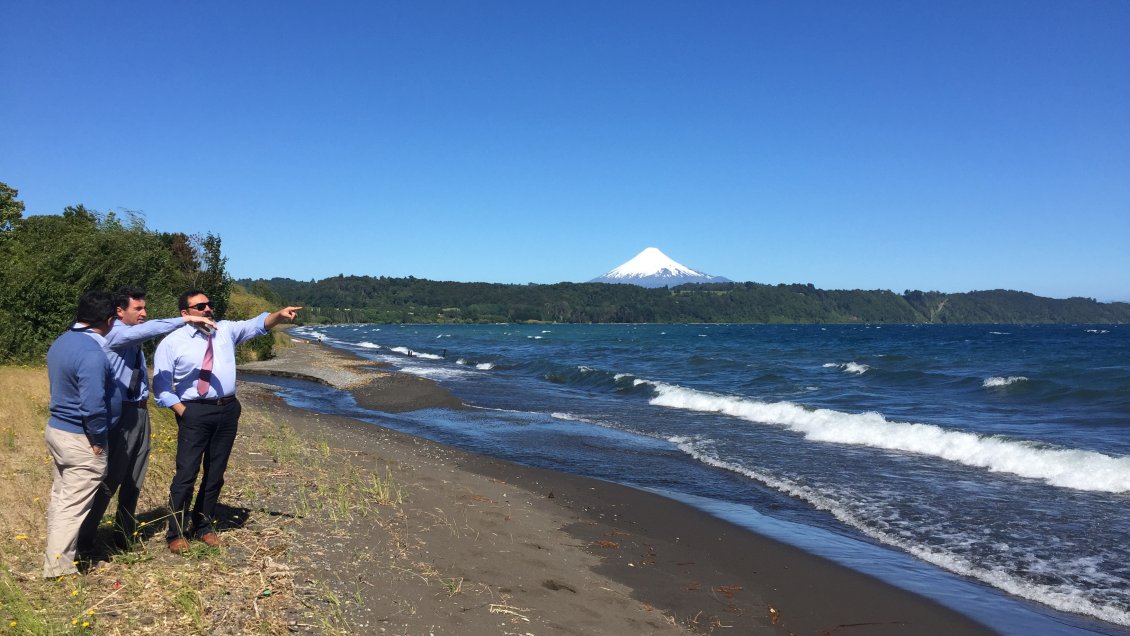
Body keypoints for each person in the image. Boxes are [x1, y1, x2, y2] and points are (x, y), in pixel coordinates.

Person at [153, 289, 301, 553]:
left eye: (209, 304)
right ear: (185, 313)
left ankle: (203, 526)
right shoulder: (172, 342)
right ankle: (176, 532)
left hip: (227, 410)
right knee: (186, 474)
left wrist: (278, 315)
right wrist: (184, 411)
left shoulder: (225, 331)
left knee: (215, 473)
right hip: (194, 411)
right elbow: (162, 386)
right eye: (200, 306)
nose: (208, 309)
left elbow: (257, 324)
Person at [76, 287, 215, 554]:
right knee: (110, 478)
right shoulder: (115, 333)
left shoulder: (131, 335)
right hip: (121, 413)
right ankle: (85, 540)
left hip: (139, 410)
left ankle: (123, 533)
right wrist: (186, 319)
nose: (144, 313)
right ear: (119, 312)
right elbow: (149, 330)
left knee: (135, 476)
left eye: (145, 308)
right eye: (138, 309)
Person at [43, 291, 115, 577]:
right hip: (80, 436)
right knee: (72, 505)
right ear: (109, 320)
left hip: (58, 428)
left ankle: (58, 557)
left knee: (62, 497)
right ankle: (58, 569)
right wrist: (97, 439)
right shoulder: (92, 353)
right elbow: (93, 404)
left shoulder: (62, 341)